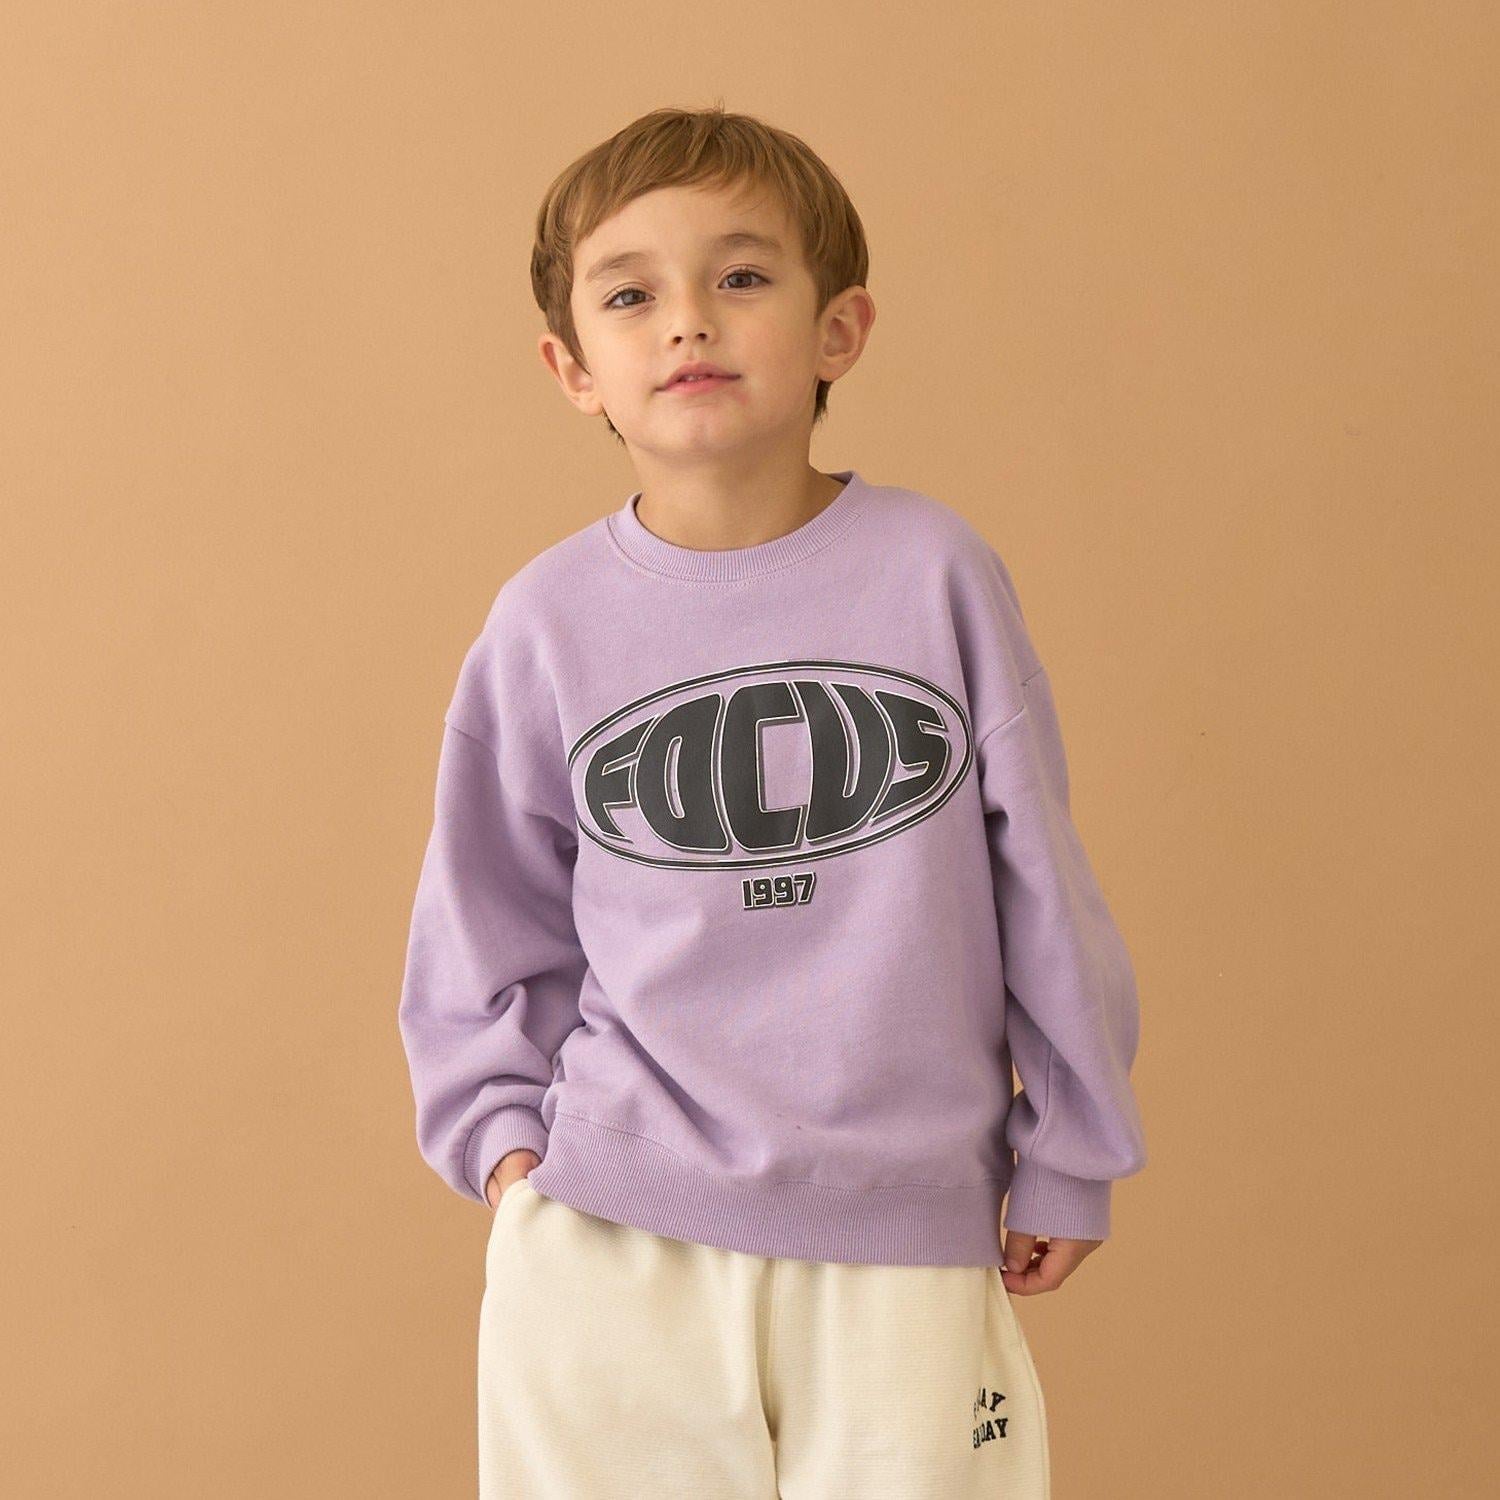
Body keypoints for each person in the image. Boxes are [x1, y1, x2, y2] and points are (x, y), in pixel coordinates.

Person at [397, 102, 1147, 1499]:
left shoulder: (935, 574)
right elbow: (481, 916)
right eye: (632, 295)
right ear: (574, 367)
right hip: (611, 1234)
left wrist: (1070, 1149)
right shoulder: (544, 623)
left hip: (902, 1229)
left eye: (741, 277)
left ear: (838, 331)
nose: (689, 319)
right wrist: (508, 1154)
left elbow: (1042, 882)